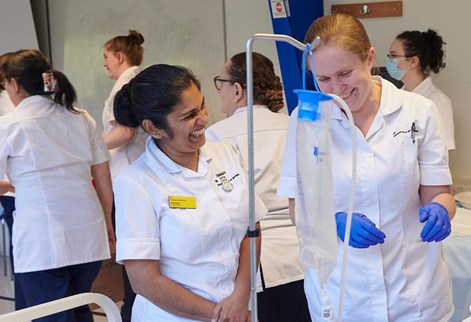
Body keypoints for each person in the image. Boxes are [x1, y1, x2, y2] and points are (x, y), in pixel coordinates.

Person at [277, 14, 456, 321]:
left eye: (345, 73)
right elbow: (299, 208)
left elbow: (440, 194)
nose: (336, 89)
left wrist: (441, 209)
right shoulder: (306, 120)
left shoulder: (418, 111)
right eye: (323, 79)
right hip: (343, 294)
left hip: (416, 293)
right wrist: (332, 221)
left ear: (369, 57)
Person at [113, 64, 267, 322]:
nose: (203, 119)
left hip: (239, 309)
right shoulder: (136, 183)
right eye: (188, 116)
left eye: (202, 105)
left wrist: (240, 297)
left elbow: (252, 228)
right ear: (154, 128)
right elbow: (144, 281)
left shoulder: (225, 155)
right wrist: (220, 316)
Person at [0, 49, 114, 322]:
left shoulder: (9, 125)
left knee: (51, 316)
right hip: (88, 232)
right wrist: (109, 223)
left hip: (43, 239)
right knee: (80, 308)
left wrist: (14, 184)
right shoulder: (81, 116)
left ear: (15, 83)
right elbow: (103, 176)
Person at [206, 52, 311, 322]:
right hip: (307, 253)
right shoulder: (295, 124)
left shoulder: (217, 135)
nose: (220, 93)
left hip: (261, 261)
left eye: (221, 83)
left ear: (237, 90)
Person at [102, 29, 147, 321]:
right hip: (137, 176)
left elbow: (126, 130)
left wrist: (91, 147)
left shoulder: (126, 84)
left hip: (129, 178)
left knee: (133, 256)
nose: (104, 63)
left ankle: (132, 308)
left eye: (105, 57)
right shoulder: (138, 80)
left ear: (119, 56)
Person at [387, 29, 455, 152]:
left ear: (413, 61)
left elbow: (445, 153)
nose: (389, 61)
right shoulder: (394, 96)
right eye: (389, 56)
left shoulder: (438, 101)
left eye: (394, 56)